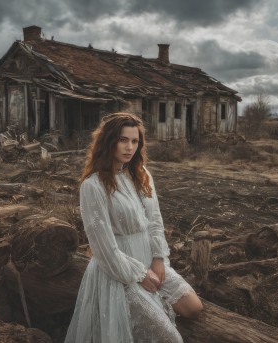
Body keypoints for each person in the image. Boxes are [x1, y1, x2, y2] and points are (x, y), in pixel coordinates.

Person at [65, 113, 203, 343]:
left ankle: (156, 304)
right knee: (171, 339)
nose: (129, 147)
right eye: (122, 140)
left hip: (150, 260)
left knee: (193, 307)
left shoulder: (142, 175)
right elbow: (104, 249)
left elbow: (155, 220)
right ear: (108, 141)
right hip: (118, 272)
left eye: (134, 141)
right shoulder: (93, 186)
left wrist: (158, 258)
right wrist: (139, 274)